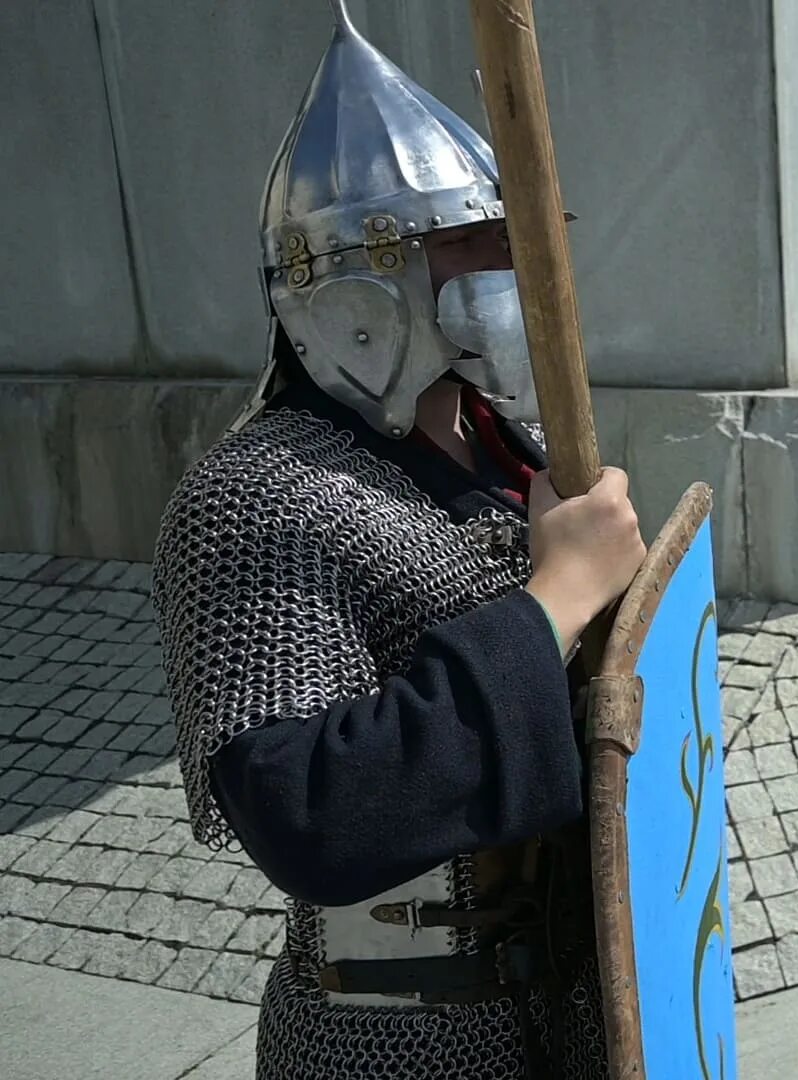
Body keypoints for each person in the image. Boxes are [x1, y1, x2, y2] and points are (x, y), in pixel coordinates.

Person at [148, 9, 626, 1076]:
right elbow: (308, 814)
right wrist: (555, 600)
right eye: (480, 238)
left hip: (574, 1006)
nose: (518, 264)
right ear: (364, 279)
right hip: (397, 1037)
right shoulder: (258, 500)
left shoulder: (521, 448)